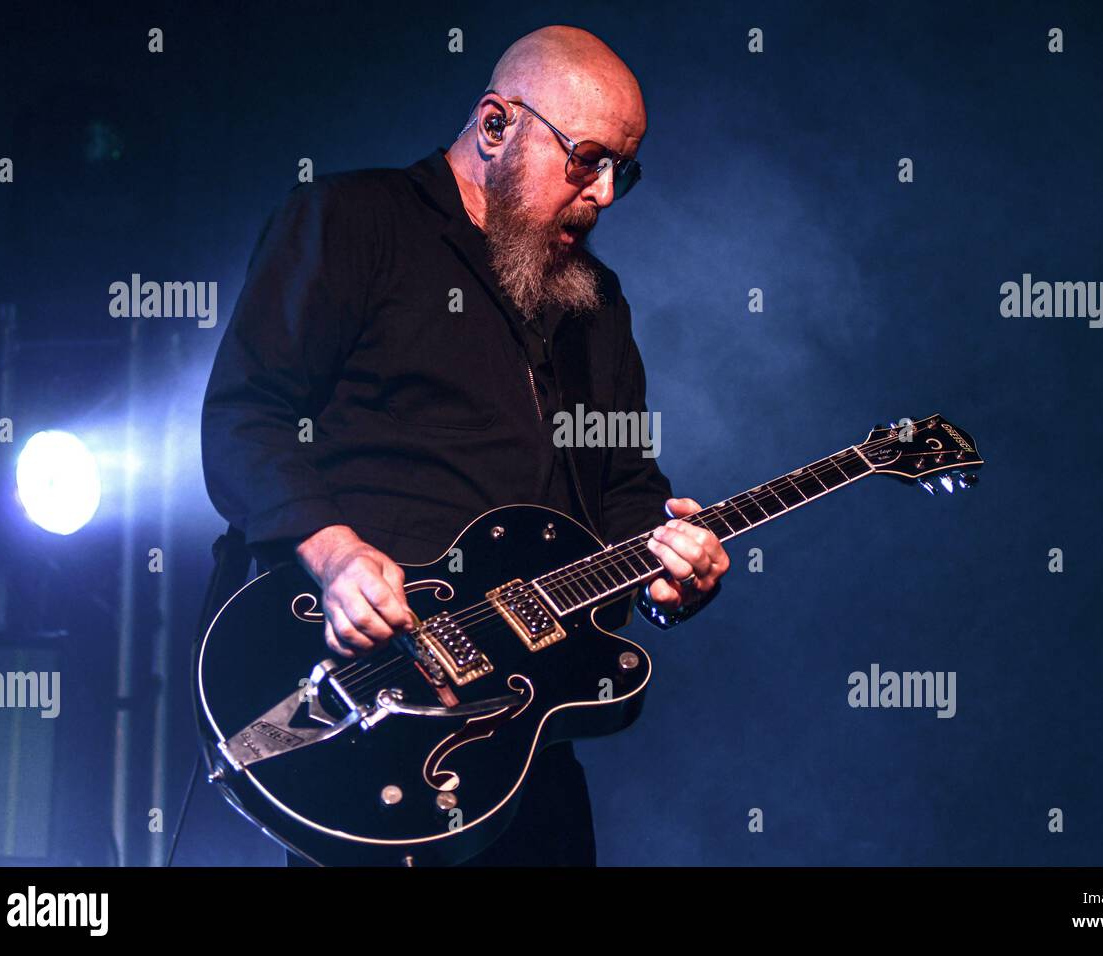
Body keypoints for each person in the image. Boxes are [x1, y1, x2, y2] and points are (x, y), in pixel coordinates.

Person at [200, 25, 730, 866]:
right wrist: (336, 556)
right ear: (495, 125)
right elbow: (244, 417)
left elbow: (625, 485)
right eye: (585, 159)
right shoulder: (351, 221)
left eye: (620, 171)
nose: (603, 195)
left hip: (521, 728)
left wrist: (671, 572)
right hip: (371, 695)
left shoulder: (597, 303)